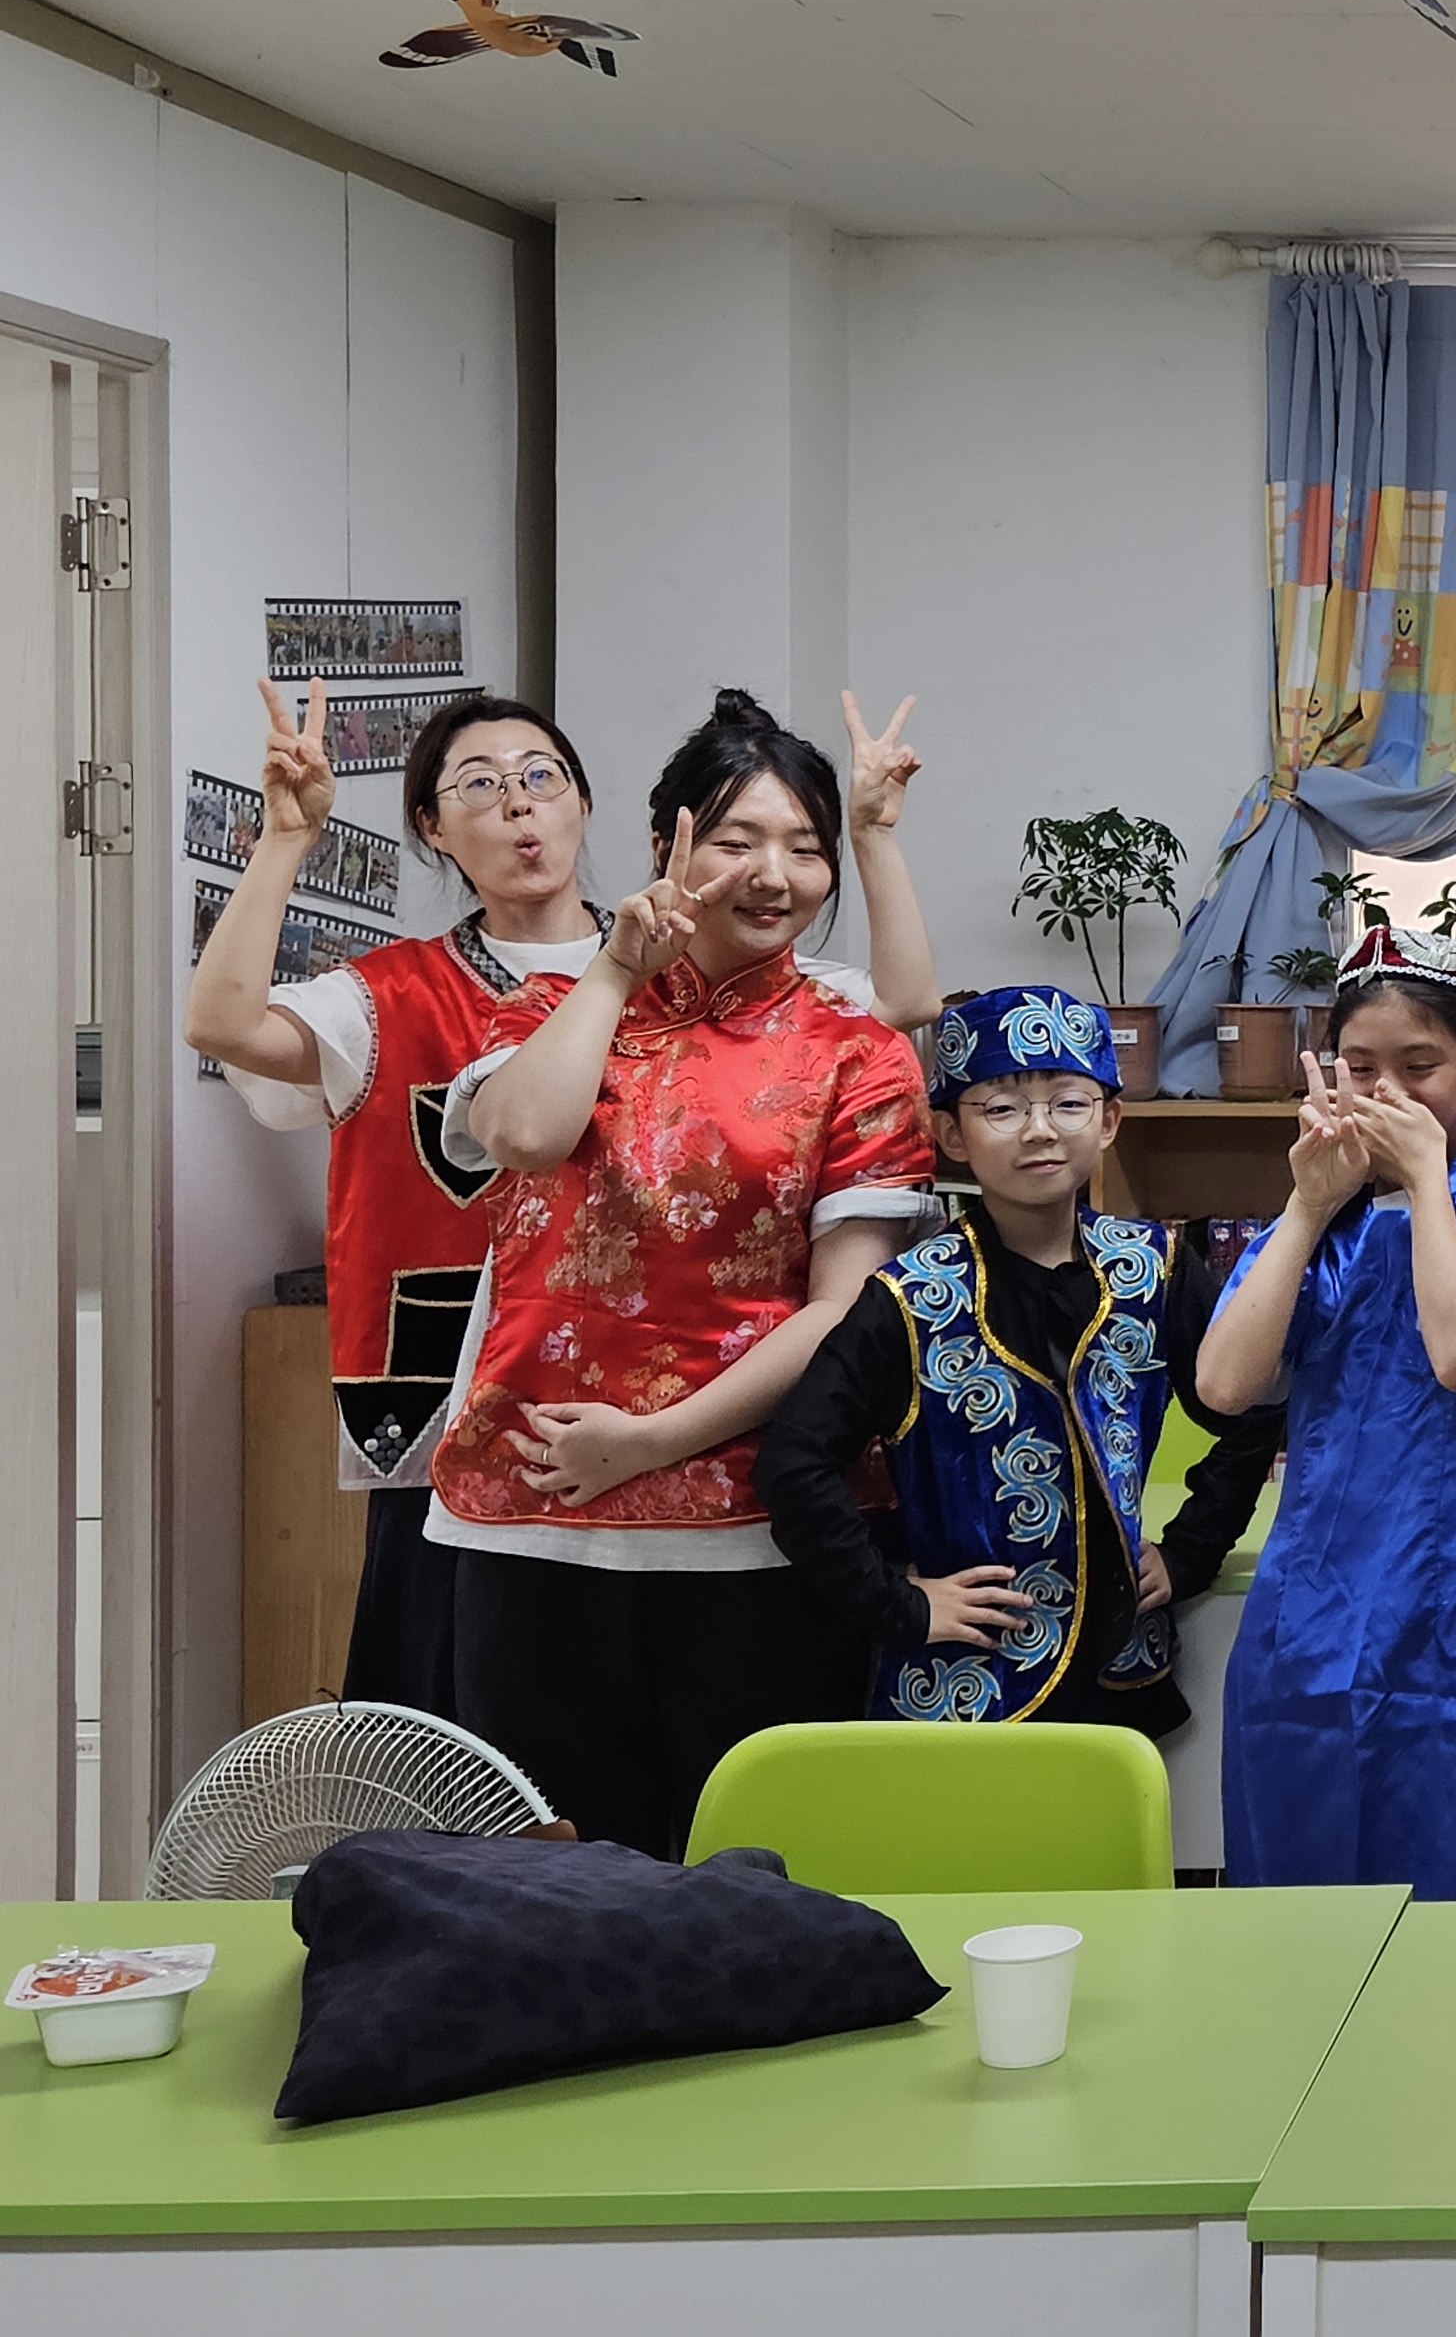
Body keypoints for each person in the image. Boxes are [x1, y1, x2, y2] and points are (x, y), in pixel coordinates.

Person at [186, 683, 938, 1722]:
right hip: (502, 1436)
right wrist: (285, 844)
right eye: (481, 785)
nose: (518, 804)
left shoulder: (832, 1030)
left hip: (749, 1479)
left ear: (586, 803)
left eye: (541, 777)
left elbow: (901, 1009)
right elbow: (515, 1130)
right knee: (484, 1773)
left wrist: (873, 835)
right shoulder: (509, 998)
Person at [421, 690, 939, 1859]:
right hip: (533, 1513)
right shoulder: (551, 1006)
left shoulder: (855, 1053)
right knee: (552, 1882)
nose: (774, 875)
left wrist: (653, 1441)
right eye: (737, 840)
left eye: (804, 847)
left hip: (757, 1531)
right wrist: (615, 971)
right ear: (667, 845)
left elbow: (843, 1308)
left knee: (756, 1877)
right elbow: (526, 1136)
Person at [1195, 923, 1456, 1899]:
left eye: (1421, 1068)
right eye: (1360, 1067)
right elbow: (1224, 1386)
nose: (1388, 1094)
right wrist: (1304, 1208)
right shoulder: (1325, 1214)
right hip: (1310, 1597)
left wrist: (1423, 1182)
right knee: (1303, 1871)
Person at [756, 986, 1203, 1736]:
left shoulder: (1156, 1268)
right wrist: (898, 1603)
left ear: (1109, 1121)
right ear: (951, 1134)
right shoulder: (910, 1298)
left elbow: (1253, 1407)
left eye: (1070, 1103)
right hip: (966, 1687)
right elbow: (793, 1464)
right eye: (1002, 1109)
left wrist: (1189, 1552)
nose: (1040, 1130)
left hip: (1122, 1672)